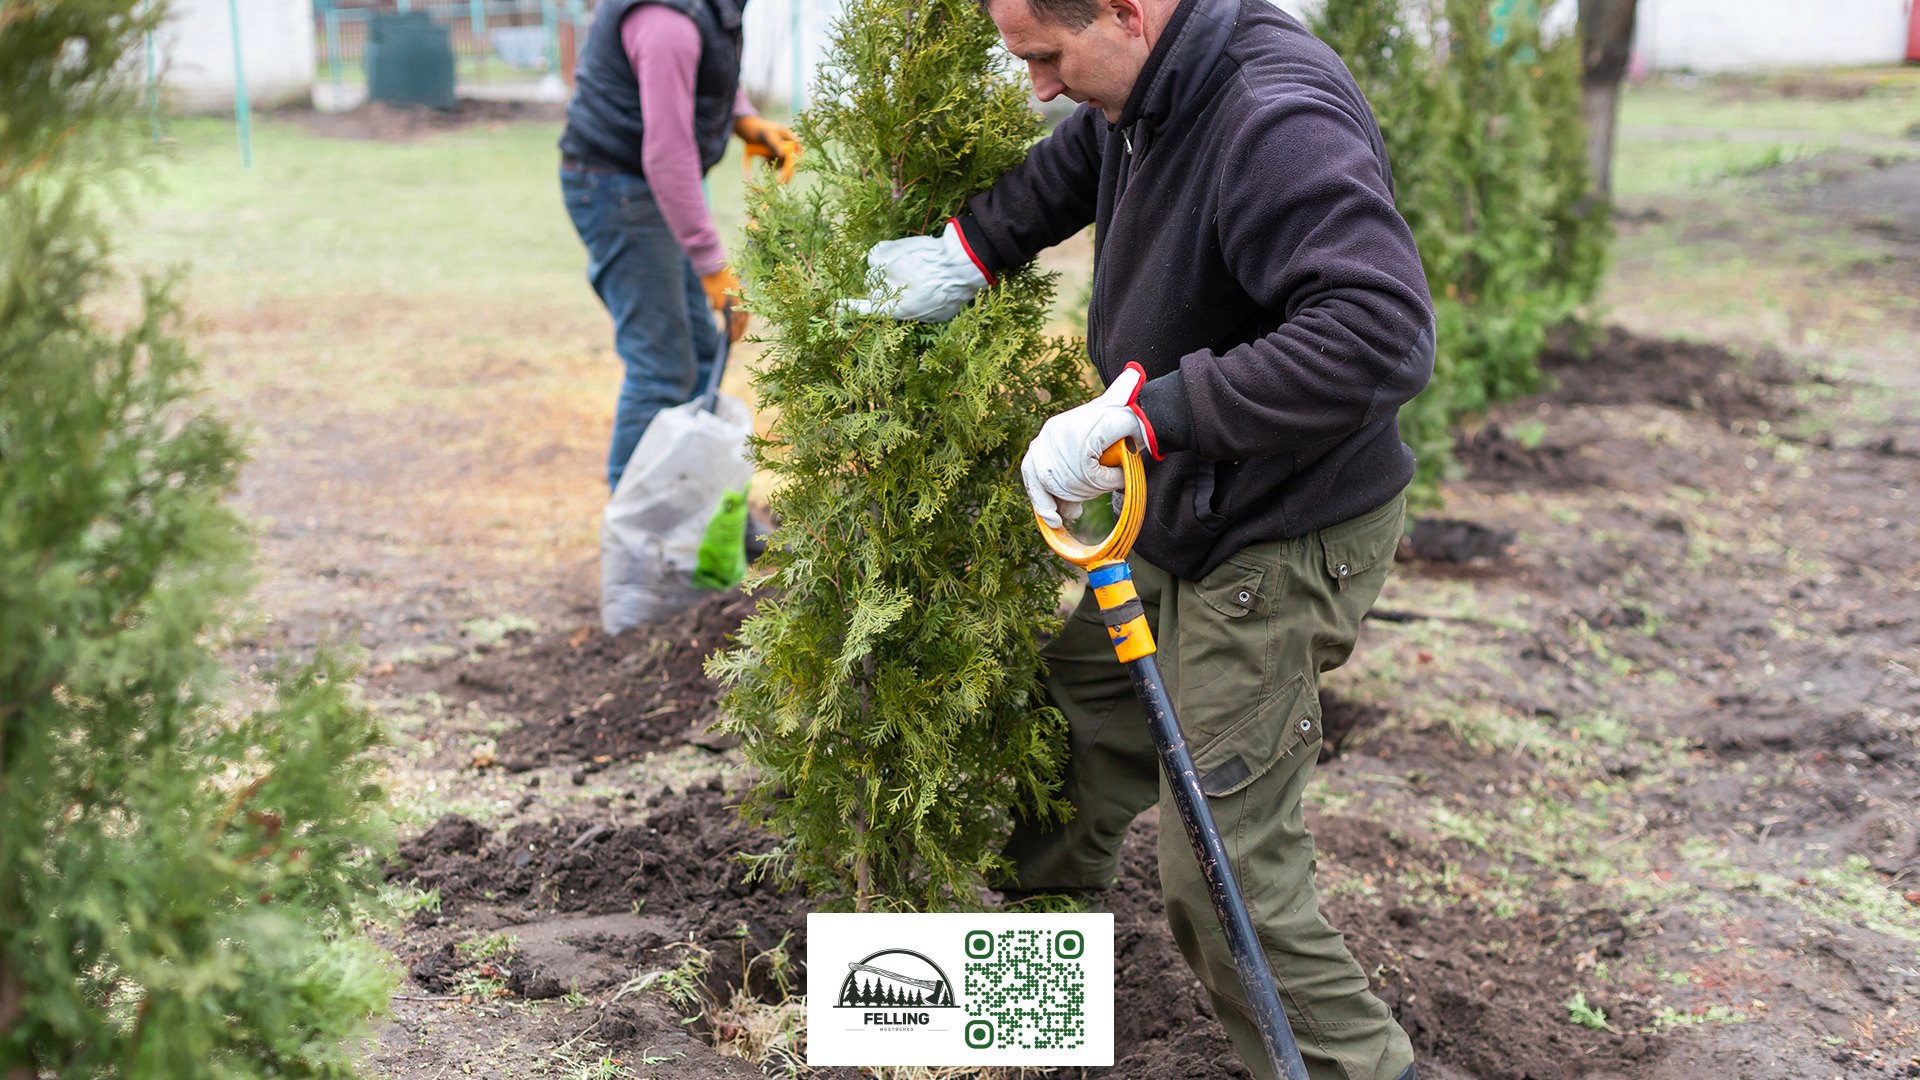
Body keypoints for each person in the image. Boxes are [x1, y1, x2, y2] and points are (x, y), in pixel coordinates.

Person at [849, 0, 1435, 1077]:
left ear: (1125, 9)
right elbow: (1086, 150)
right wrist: (971, 249)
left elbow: (1377, 332)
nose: (1035, 85)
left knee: (1224, 883)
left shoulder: (1272, 114)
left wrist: (1153, 414)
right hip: (1180, 504)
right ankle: (1023, 1015)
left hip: (1279, 531)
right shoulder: (1159, 79)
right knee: (1078, 737)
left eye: (1046, 56)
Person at [559, 0, 800, 491]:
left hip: (642, 187)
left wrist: (744, 118)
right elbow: (667, 154)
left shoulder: (710, 8)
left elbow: (702, 72)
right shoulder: (666, 18)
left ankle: (685, 517)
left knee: (694, 353)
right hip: (618, 189)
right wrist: (711, 265)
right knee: (662, 367)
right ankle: (639, 539)